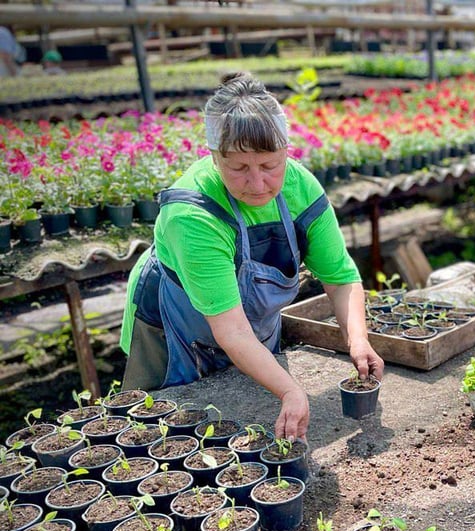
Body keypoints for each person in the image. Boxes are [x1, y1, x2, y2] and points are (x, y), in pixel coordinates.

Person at [120, 72, 384, 442]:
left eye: (270, 166)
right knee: (165, 435)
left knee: (251, 425)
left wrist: (357, 340)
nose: (257, 183)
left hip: (247, 331)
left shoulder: (301, 188)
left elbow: (340, 278)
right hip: (174, 328)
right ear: (214, 157)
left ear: (286, 153)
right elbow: (231, 330)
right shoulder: (192, 214)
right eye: (239, 168)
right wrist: (291, 390)